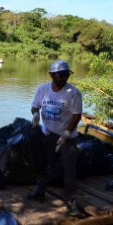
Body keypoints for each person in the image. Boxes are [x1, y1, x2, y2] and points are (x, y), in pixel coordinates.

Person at [28, 60, 83, 216]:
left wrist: (66, 134)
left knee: (69, 169)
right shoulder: (43, 89)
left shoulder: (73, 93)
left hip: (68, 137)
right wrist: (35, 114)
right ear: (51, 75)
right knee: (44, 164)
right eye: (61, 75)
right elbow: (35, 106)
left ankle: (71, 201)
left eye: (66, 75)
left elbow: (76, 115)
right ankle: (40, 191)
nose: (64, 78)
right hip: (48, 134)